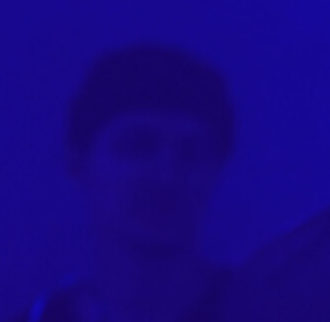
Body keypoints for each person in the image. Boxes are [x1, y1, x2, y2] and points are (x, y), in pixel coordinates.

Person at [15, 44, 238, 322]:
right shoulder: (43, 317)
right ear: (78, 160)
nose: (165, 178)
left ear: (216, 169)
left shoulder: (271, 311)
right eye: (138, 146)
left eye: (190, 152)